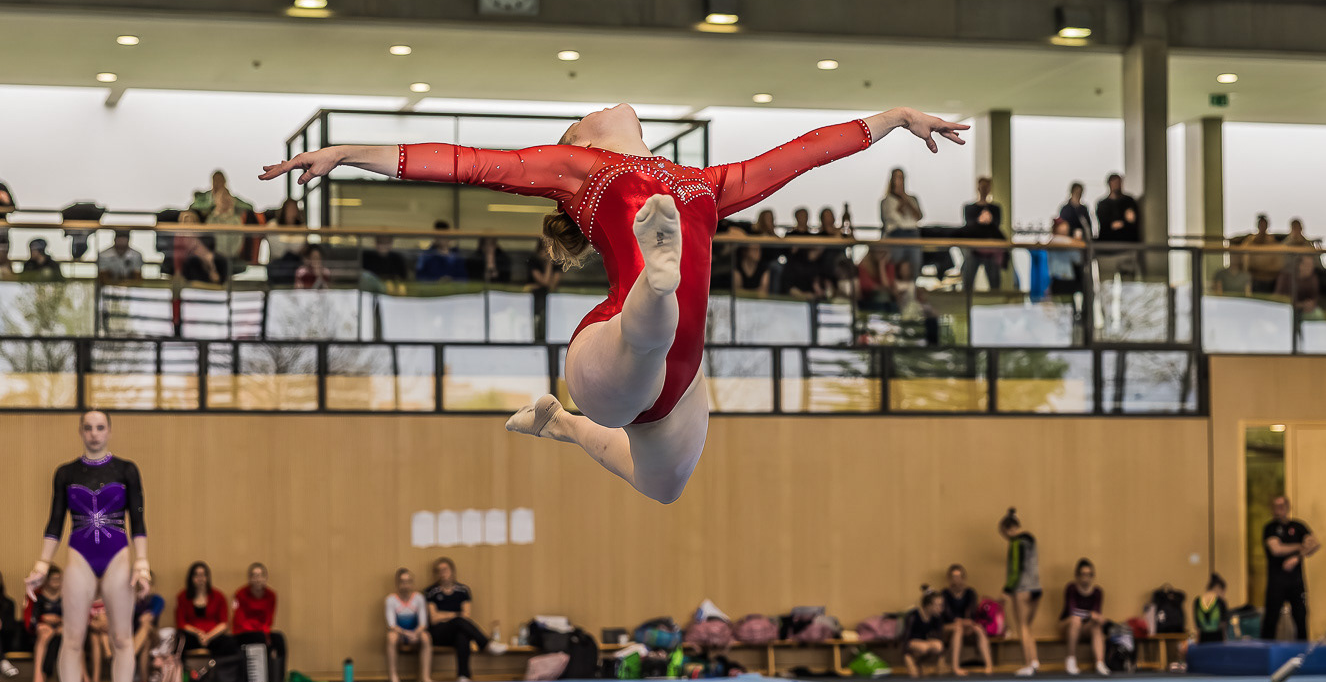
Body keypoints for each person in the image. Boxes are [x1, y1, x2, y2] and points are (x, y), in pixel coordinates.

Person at [264, 105, 966, 503]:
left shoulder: (705, 179)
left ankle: (561, 425)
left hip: (675, 384)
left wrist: (895, 117)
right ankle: (655, 280)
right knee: (651, 326)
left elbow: (802, 154)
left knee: (664, 488)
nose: (600, 106)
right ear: (579, 140)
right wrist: (346, 152)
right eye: (581, 117)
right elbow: (466, 162)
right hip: (612, 351)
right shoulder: (580, 170)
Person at [23, 409, 150, 682]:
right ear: (81, 431)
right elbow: (55, 520)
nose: (94, 433)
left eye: (100, 427)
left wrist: (142, 562)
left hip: (118, 554)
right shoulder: (66, 473)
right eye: (89, 428)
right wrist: (42, 563)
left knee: (121, 638)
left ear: (109, 431)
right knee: (72, 638)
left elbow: (138, 519)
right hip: (79, 555)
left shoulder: (127, 469)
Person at [423, 557, 503, 682]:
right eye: (439, 571)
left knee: (462, 634)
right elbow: (434, 618)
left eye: (445, 569)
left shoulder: (463, 590)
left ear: (452, 571)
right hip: (438, 633)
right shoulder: (431, 592)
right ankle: (485, 644)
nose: (443, 573)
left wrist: (445, 615)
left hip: (456, 632)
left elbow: (466, 615)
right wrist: (455, 614)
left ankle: (463, 676)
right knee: (459, 621)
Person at [1262, 494, 1319, 641]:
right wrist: (1300, 546)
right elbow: (1276, 549)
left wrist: (1297, 557)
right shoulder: (1270, 528)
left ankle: (1303, 649)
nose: (1279, 509)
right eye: (1276, 507)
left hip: (1296, 582)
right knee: (1271, 619)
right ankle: (1266, 649)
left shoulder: (1298, 526)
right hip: (1277, 582)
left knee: (1301, 617)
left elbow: (1314, 543)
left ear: (1288, 507)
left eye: (1282, 506)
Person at [999, 508, 1040, 677]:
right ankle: (1035, 660)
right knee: (1028, 626)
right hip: (1036, 588)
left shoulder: (1016, 542)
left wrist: (1007, 590)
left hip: (1022, 588)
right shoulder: (1030, 539)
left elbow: (1016, 569)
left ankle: (1028, 664)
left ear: (1007, 529)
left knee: (1022, 626)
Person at [231, 562, 288, 682]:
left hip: (262, 632)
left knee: (279, 639)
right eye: (254, 576)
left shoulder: (271, 595)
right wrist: (261, 632)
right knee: (260, 637)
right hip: (243, 633)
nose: (258, 579)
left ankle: (278, 678)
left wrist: (266, 633)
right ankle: (261, 678)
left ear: (265, 578)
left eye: (261, 575)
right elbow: (240, 621)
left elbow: (268, 619)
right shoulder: (240, 594)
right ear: (249, 578)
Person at [175, 561, 237, 661]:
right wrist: (198, 633)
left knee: (230, 643)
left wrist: (208, 636)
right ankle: (182, 670)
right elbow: (181, 623)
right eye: (196, 575)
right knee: (179, 641)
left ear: (207, 577)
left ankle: (220, 669)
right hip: (193, 636)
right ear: (191, 578)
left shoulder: (218, 596)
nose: (200, 579)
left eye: (203, 575)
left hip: (213, 635)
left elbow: (224, 623)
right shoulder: (182, 597)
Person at [940, 564, 992, 676]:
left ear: (963, 578)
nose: (957, 580)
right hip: (949, 626)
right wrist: (960, 621)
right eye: (954, 577)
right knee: (958, 629)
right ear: (949, 578)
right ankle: (956, 667)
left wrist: (967, 622)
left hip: (966, 624)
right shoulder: (944, 594)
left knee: (979, 629)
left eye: (959, 577)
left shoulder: (970, 593)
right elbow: (946, 614)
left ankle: (988, 665)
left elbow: (972, 612)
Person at [1060, 558, 1108, 677]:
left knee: (1096, 627)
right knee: (1075, 620)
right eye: (1083, 574)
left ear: (1093, 576)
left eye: (1089, 574)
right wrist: (1090, 615)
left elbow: (1096, 614)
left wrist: (1097, 618)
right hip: (1068, 624)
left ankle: (1100, 663)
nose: (1086, 578)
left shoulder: (1097, 592)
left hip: (1085, 627)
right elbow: (1072, 611)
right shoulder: (1071, 589)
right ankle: (1071, 659)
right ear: (1077, 575)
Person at [384, 567, 432, 682]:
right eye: (403, 582)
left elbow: (423, 623)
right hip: (400, 634)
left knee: (426, 637)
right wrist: (407, 634)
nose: (406, 585)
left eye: (408, 582)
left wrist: (415, 633)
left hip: (416, 633)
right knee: (391, 637)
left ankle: (425, 677)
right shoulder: (391, 599)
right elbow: (391, 625)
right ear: (397, 583)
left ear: (412, 583)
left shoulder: (419, 598)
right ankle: (393, 676)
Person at [961, 175, 1006, 292]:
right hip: (973, 249)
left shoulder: (995, 208)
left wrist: (988, 221)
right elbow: (969, 226)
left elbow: (996, 225)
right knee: (968, 281)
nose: (984, 189)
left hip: (991, 250)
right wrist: (980, 221)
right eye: (982, 187)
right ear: (978, 188)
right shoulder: (969, 208)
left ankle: (995, 302)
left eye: (987, 187)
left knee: (994, 283)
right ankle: (966, 301)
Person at [1093, 173, 1140, 280]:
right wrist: (1124, 221)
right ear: (1109, 184)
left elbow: (1132, 221)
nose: (1117, 185)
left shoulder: (1129, 201)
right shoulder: (1102, 204)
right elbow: (1106, 224)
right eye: (1115, 183)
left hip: (1127, 249)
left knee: (1128, 284)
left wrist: (1120, 223)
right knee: (1106, 284)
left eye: (1119, 182)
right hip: (1107, 251)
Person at [879, 168, 924, 276]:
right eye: (897, 178)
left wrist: (905, 199)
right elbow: (893, 217)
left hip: (913, 234)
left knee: (914, 265)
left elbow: (918, 216)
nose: (900, 181)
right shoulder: (886, 201)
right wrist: (901, 202)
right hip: (896, 235)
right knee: (896, 266)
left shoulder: (912, 199)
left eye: (901, 177)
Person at [30, 566, 65, 682]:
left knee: (68, 635)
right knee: (46, 634)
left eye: (59, 579)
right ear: (46, 581)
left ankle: (81, 676)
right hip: (42, 631)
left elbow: (73, 617)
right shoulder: (38, 597)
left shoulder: (65, 596)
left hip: (61, 628)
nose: (56, 582)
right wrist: (42, 620)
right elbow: (32, 618)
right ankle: (38, 674)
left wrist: (60, 621)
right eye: (53, 579)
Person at [902, 588, 945, 678]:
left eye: (941, 605)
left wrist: (941, 658)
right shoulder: (913, 616)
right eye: (938, 605)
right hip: (911, 642)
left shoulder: (936, 617)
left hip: (924, 642)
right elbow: (904, 638)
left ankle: (921, 664)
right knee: (923, 647)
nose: (941, 608)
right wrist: (906, 656)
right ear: (928, 606)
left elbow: (940, 637)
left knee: (938, 646)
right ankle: (912, 660)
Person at [131, 570, 165, 682]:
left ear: (151, 585)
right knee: (145, 643)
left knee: (145, 626)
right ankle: (144, 681)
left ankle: (129, 656)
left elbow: (148, 618)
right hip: (136, 637)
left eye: (146, 583)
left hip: (153, 634)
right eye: (140, 583)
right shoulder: (132, 601)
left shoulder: (157, 599)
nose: (143, 586)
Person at [265, 198, 308, 286]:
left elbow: (298, 248)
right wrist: (291, 243)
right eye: (289, 209)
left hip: (295, 264)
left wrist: (287, 243)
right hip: (278, 264)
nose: (292, 212)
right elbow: (278, 250)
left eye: (294, 209)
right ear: (284, 210)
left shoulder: (302, 227)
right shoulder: (272, 225)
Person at [1241, 214, 1283, 295]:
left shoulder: (1273, 243)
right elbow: (1245, 259)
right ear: (1257, 226)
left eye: (1264, 224)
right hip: (1254, 278)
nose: (1262, 227)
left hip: (1270, 279)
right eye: (1260, 224)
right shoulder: (1249, 241)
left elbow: (1278, 263)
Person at [1191, 573, 1229, 648]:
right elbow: (1224, 624)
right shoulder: (1220, 602)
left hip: (1202, 640)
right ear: (1218, 587)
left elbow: (1197, 625)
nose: (1223, 595)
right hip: (1218, 640)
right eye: (1223, 592)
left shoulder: (1197, 601)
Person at [86, 599, 111, 682]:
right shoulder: (86, 598)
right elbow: (79, 617)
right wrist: (91, 623)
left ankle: (95, 680)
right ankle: (108, 654)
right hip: (87, 633)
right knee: (95, 635)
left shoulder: (110, 598)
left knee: (96, 635)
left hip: (110, 632)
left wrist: (106, 623)